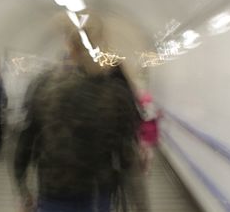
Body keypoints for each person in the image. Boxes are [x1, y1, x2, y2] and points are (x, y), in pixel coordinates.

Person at [14, 14, 150, 212]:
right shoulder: (115, 93)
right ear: (102, 43)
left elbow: (25, 141)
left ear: (69, 44)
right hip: (96, 195)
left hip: (52, 192)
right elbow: (128, 158)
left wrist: (23, 190)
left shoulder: (44, 86)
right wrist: (142, 206)